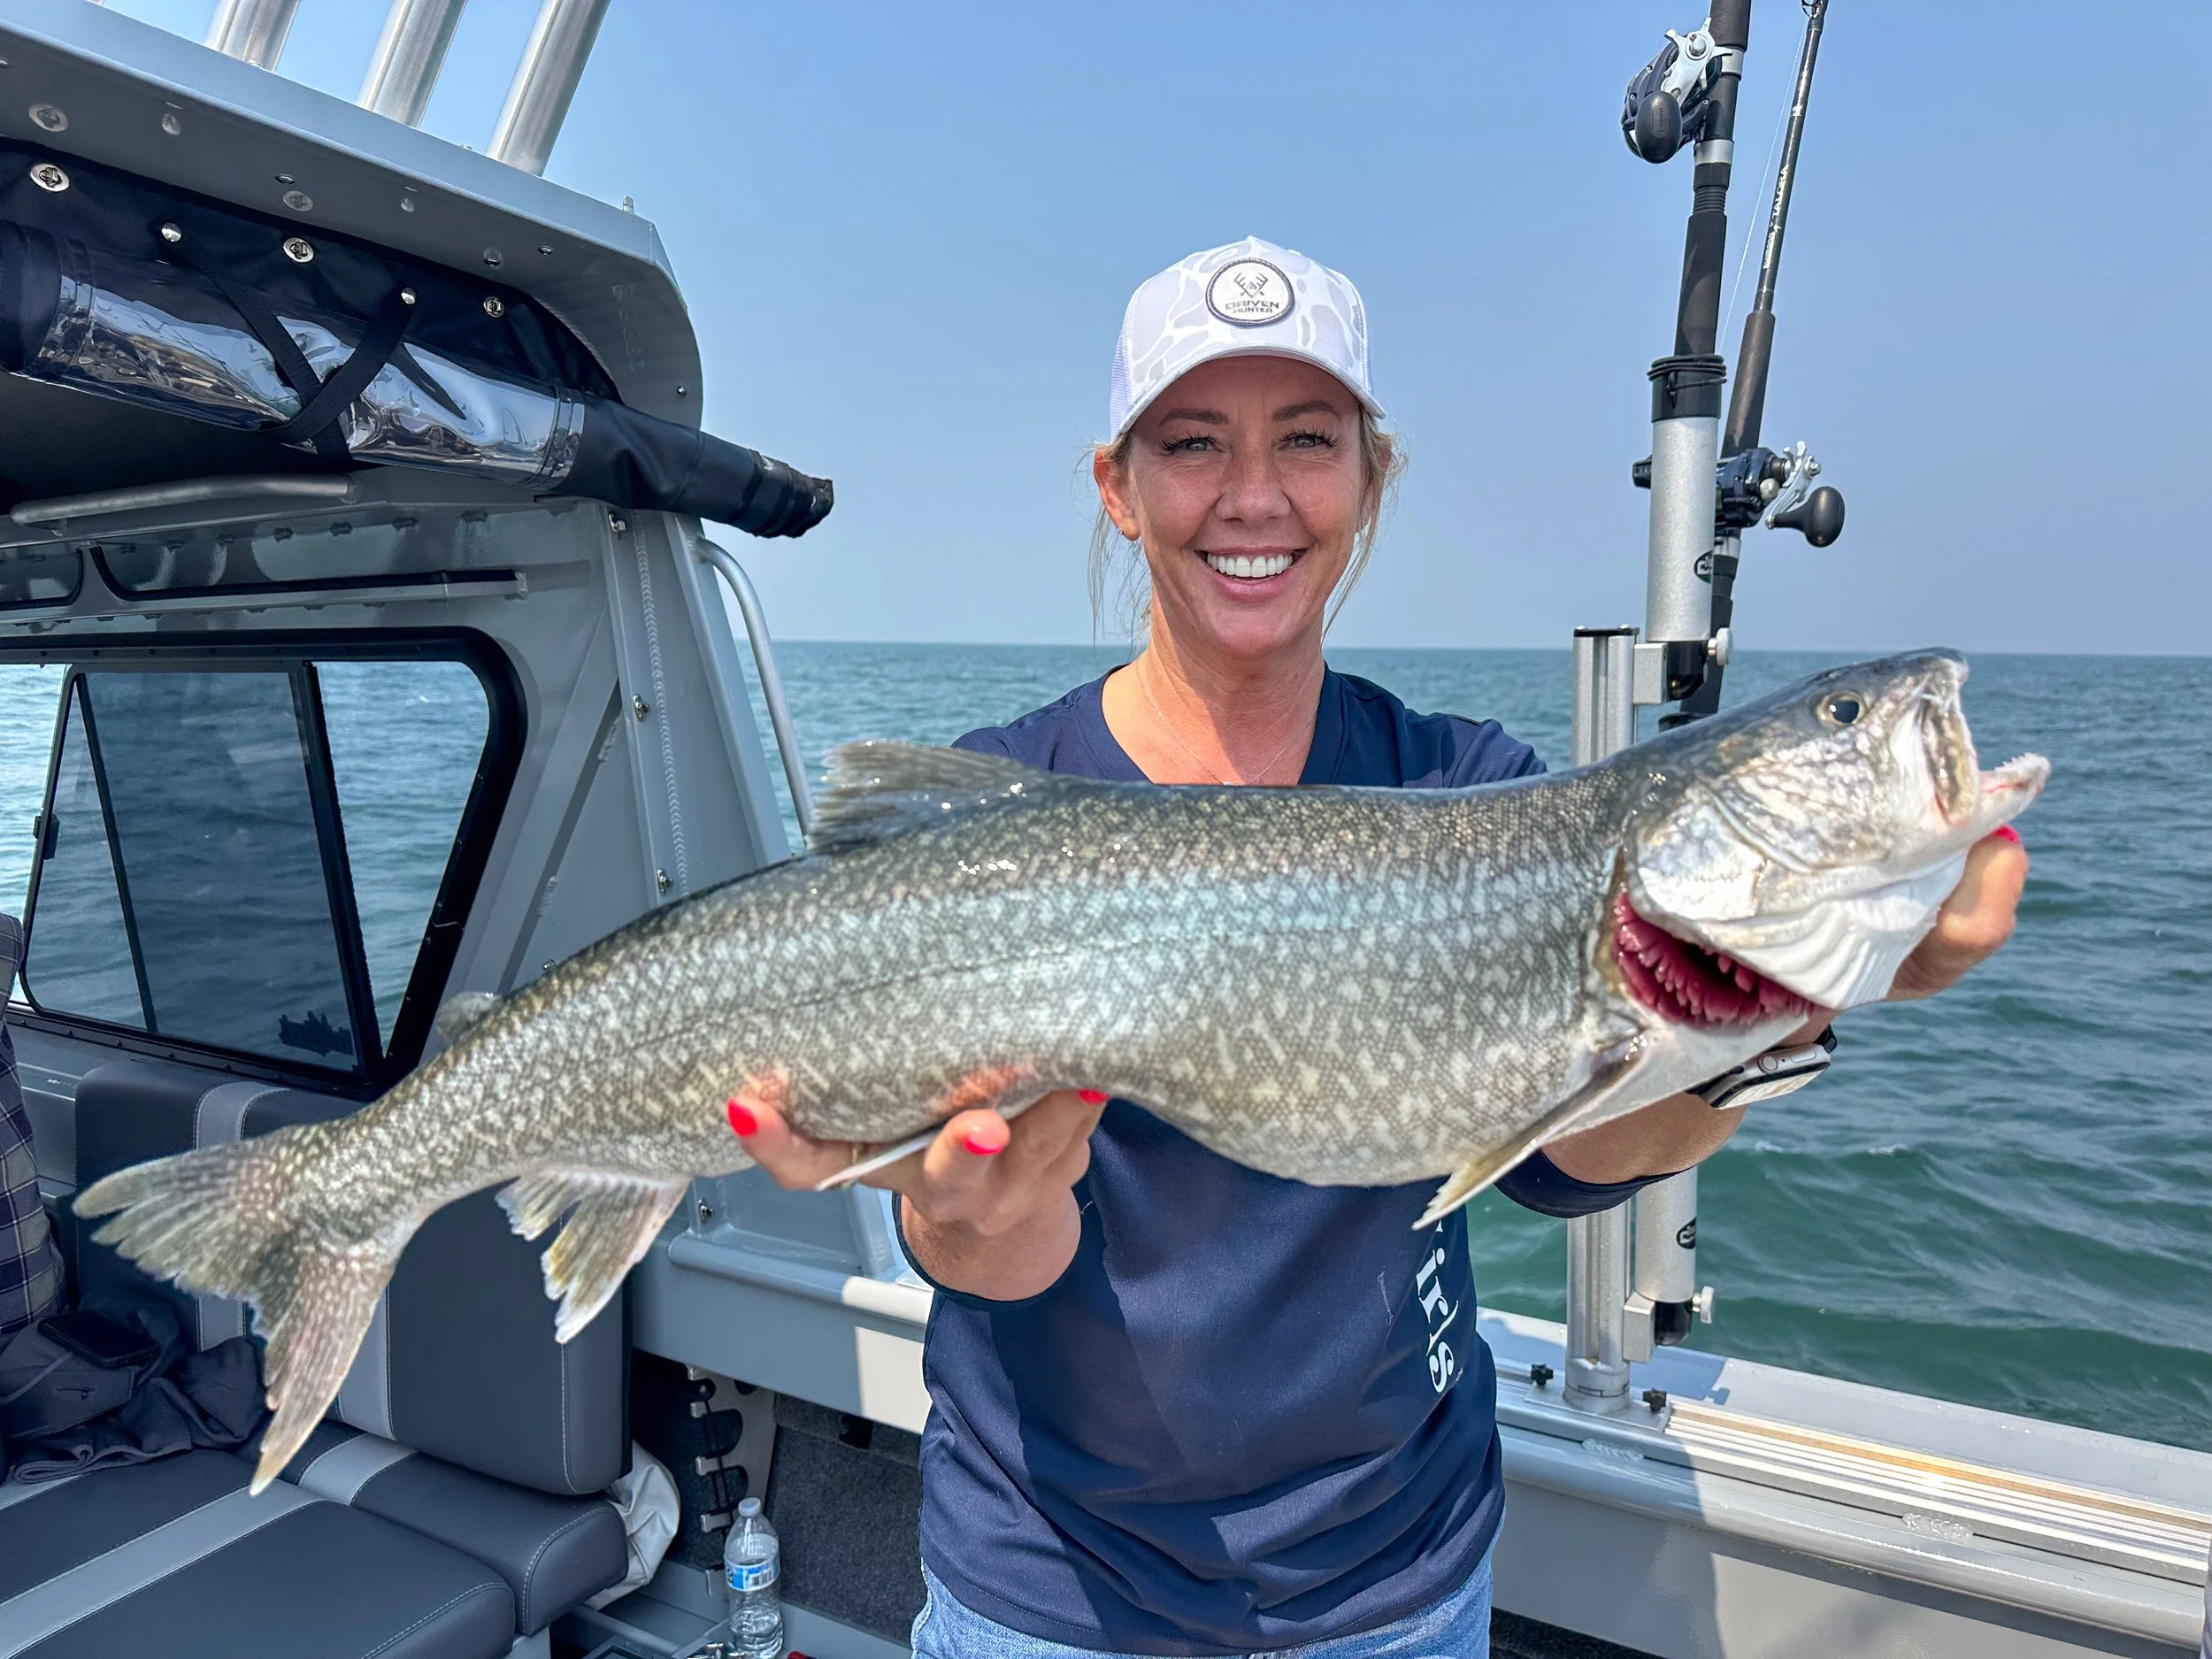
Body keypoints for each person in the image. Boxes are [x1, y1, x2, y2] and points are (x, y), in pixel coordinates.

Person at [735, 237, 2028, 1657]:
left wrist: (1792, 1002)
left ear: (1371, 476)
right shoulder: (1005, 805)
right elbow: (983, 1253)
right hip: (1054, 1591)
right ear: (1118, 487)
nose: (1254, 496)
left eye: (1307, 439)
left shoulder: (1469, 789)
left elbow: (1561, 1155)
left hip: (1397, 1583)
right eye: (1191, 443)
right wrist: (970, 1219)